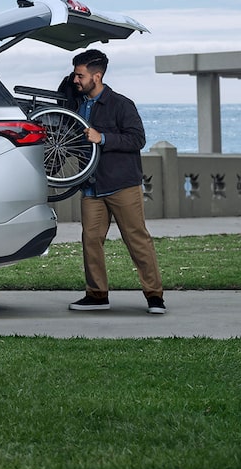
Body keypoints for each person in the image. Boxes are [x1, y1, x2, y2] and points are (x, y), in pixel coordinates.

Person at [65, 49, 166, 314]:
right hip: (91, 185)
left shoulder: (121, 104)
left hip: (122, 184)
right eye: (75, 74)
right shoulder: (76, 103)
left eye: (80, 75)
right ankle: (97, 295)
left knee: (137, 240)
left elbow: (137, 139)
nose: (75, 79)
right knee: (90, 240)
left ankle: (155, 296)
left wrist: (103, 138)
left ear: (96, 77)